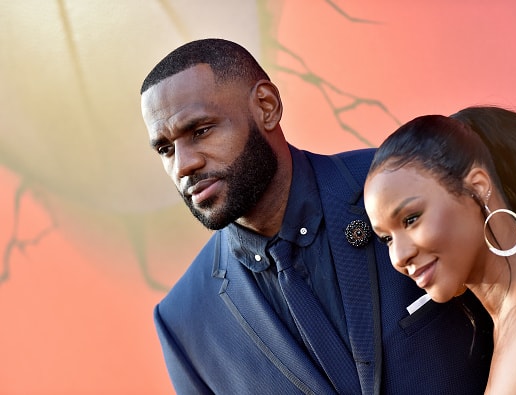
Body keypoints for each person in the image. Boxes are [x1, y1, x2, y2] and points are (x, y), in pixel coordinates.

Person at [140, 38, 493, 395]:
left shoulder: (415, 183)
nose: (184, 165)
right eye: (166, 149)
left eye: (200, 131)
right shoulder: (183, 322)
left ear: (266, 106)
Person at [363, 106, 516, 395]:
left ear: (478, 187)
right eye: (386, 239)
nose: (399, 256)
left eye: (411, 219)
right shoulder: (509, 318)